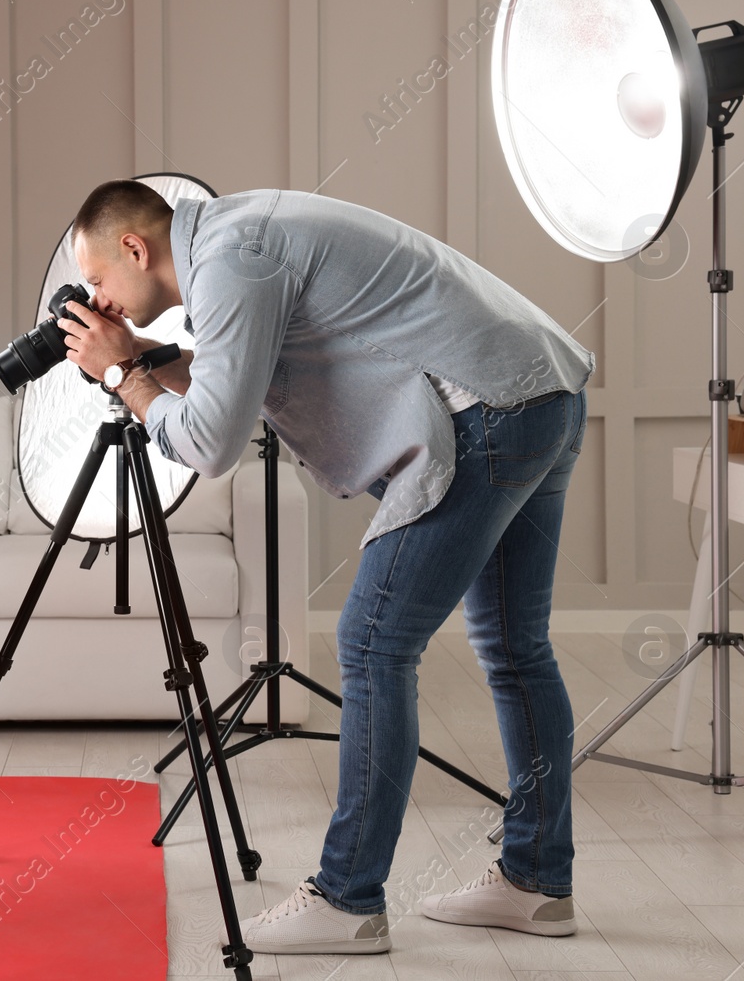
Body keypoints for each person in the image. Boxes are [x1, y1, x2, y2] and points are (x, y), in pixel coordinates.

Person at [59, 179, 593, 957]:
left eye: (99, 279)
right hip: (540, 391)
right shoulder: (240, 236)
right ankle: (539, 881)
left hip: (492, 408)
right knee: (516, 648)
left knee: (375, 643)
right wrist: (142, 358)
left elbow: (208, 443)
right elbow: (237, 379)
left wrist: (124, 376)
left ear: (136, 248)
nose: (97, 299)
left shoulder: (231, 262)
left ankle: (348, 897)